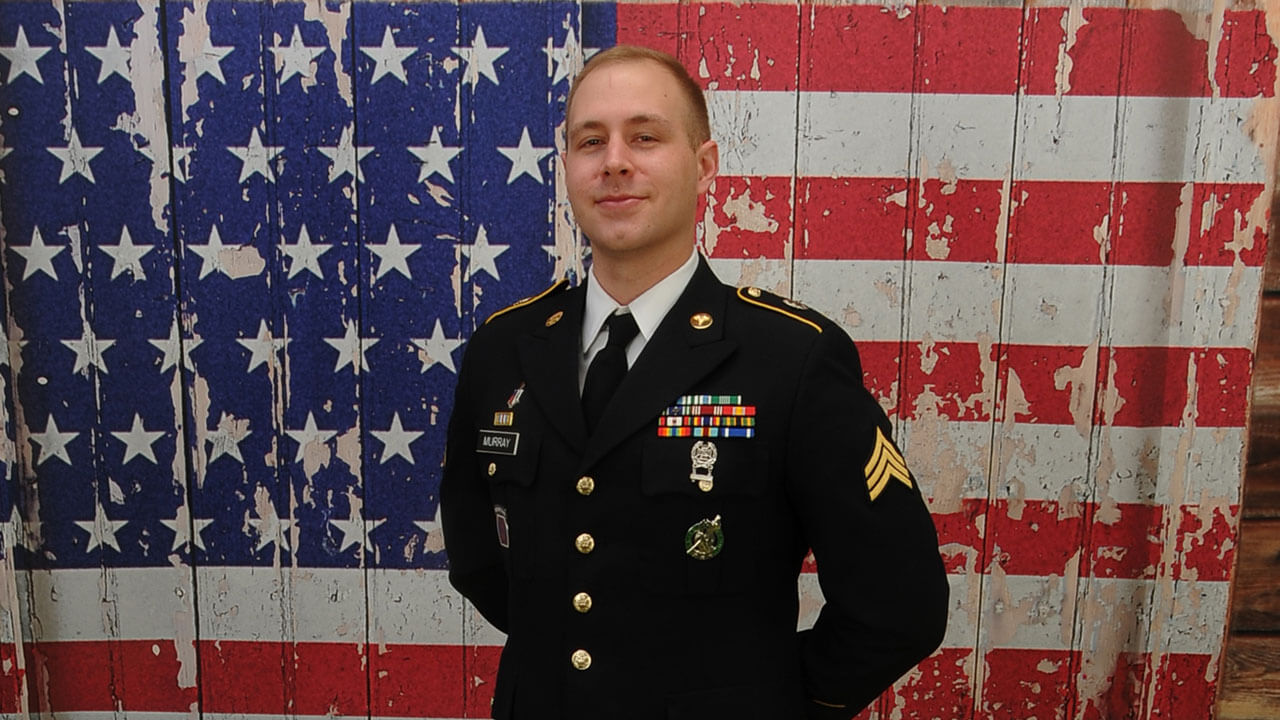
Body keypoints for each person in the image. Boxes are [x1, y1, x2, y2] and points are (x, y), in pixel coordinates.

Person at [440, 44, 949, 719]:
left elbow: (900, 599)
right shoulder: (505, 350)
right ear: (567, 167)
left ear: (704, 165)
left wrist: (772, 701)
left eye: (645, 137)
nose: (615, 160)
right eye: (590, 141)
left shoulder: (790, 357)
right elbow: (480, 560)